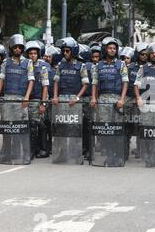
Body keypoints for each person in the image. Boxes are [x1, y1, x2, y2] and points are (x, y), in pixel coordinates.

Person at [0, 34, 35, 165]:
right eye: (15, 47)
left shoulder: (28, 63)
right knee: (6, 128)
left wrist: (27, 97)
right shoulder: (6, 63)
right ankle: (5, 154)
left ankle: (18, 154)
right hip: (7, 99)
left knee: (19, 128)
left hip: (21, 99)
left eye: (20, 47)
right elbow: (1, 80)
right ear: (11, 48)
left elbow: (31, 81)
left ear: (22, 49)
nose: (17, 49)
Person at [90, 38, 128, 167]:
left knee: (117, 129)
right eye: (110, 48)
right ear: (105, 49)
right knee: (105, 129)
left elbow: (125, 83)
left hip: (117, 100)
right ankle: (109, 155)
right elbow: (94, 83)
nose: (112, 50)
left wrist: (122, 99)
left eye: (114, 48)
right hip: (103, 100)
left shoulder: (121, 64)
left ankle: (118, 156)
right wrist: (94, 98)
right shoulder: (98, 65)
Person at [52, 37, 89, 164]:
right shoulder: (60, 65)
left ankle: (75, 153)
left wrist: (77, 98)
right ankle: (61, 153)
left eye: (67, 51)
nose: (65, 53)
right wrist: (56, 96)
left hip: (75, 101)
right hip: (62, 99)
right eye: (64, 51)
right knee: (61, 127)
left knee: (74, 128)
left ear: (73, 51)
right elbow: (56, 82)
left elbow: (85, 84)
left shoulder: (81, 66)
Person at [25, 41, 49, 159]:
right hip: (25, 100)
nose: (32, 55)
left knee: (36, 125)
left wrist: (43, 104)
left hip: (37, 99)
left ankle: (35, 151)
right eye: (30, 53)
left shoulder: (43, 67)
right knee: (28, 125)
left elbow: (45, 86)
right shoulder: (24, 65)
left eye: (34, 53)